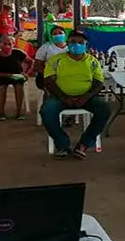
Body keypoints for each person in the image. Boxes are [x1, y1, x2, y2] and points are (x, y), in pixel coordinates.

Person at [40, 30, 111, 159]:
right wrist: (63, 97)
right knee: (46, 112)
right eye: (73, 42)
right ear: (67, 43)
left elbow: (99, 82)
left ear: (86, 45)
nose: (77, 45)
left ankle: (84, 144)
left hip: (86, 97)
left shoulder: (92, 61)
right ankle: (62, 144)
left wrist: (86, 96)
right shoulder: (56, 60)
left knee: (104, 110)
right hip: (60, 97)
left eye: (81, 42)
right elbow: (48, 81)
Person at [0, 35, 32, 120]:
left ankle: (19, 112)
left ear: (13, 45)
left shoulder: (18, 53)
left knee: (19, 87)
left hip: (17, 75)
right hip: (1, 76)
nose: (7, 46)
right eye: (4, 44)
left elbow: (31, 62)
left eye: (10, 44)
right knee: (2, 87)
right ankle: (1, 113)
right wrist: (7, 75)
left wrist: (27, 73)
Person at [33, 25, 69, 90]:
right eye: (55, 34)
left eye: (60, 33)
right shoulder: (46, 47)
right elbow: (37, 65)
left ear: (65, 35)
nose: (58, 35)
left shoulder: (71, 47)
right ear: (51, 36)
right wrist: (49, 74)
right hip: (49, 76)